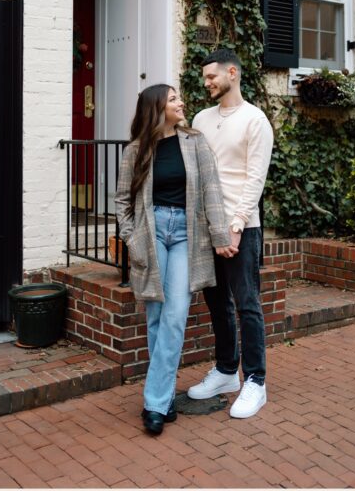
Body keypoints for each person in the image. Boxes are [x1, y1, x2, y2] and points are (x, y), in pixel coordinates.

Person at [116, 81, 231, 435]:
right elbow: (123, 201)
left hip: (185, 234)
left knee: (176, 314)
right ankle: (163, 400)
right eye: (174, 99)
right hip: (151, 234)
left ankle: (153, 401)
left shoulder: (195, 142)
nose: (181, 103)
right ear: (157, 108)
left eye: (179, 97)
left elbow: (211, 189)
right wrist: (130, 237)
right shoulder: (137, 150)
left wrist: (221, 236)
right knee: (155, 315)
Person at [190, 43, 273, 421]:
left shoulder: (256, 121)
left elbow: (254, 180)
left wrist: (236, 226)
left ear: (232, 74)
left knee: (247, 304)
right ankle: (226, 372)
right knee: (216, 303)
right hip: (208, 227)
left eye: (212, 76)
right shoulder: (202, 118)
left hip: (243, 229)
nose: (206, 82)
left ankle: (255, 380)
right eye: (205, 77)